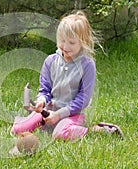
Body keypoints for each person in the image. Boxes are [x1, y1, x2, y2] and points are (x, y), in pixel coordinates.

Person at [11, 10, 97, 141]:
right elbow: (45, 90)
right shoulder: (50, 61)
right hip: (49, 110)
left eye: (71, 43)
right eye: (62, 40)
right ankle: (44, 123)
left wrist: (59, 114)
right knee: (17, 130)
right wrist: (41, 101)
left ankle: (94, 130)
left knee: (59, 134)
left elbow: (83, 100)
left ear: (83, 42)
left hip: (72, 114)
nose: (65, 46)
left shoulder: (87, 65)